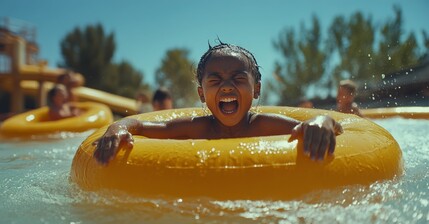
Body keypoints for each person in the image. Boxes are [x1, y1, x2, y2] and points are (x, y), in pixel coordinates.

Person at [93, 42, 343, 164]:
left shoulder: (264, 126)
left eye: (237, 78)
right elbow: (139, 124)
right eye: (215, 80)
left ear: (256, 90)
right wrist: (117, 128)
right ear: (202, 94)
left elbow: (328, 124)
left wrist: (322, 120)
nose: (226, 86)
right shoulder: (198, 128)